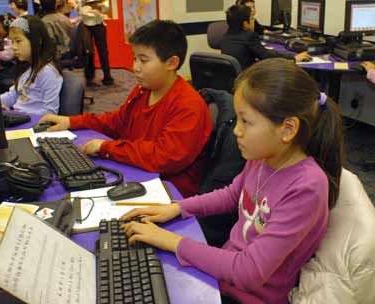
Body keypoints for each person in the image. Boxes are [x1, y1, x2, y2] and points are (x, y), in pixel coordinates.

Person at [119, 58, 345, 304]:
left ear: (288, 129)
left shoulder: (307, 187)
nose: (236, 131)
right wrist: (176, 208)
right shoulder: (263, 156)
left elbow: (249, 272)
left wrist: (171, 241)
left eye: (245, 121)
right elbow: (231, 194)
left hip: (247, 296)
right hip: (222, 275)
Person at [39, 20, 213, 198]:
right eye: (135, 58)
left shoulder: (188, 105)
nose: (135, 67)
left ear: (172, 63)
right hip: (138, 173)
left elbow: (162, 158)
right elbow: (118, 121)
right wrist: (71, 121)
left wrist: (106, 147)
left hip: (168, 192)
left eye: (143, 60)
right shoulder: (143, 90)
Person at [0, 15, 63, 115]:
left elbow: (50, 112)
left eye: (18, 41)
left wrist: (16, 115)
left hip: (32, 124)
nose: (14, 47)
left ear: (37, 40)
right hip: (20, 118)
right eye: (12, 42)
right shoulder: (27, 67)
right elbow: (13, 95)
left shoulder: (48, 72)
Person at [221, 5, 311, 70]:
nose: (253, 21)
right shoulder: (249, 36)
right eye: (252, 19)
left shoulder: (225, 37)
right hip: (248, 80)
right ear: (245, 24)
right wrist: (294, 58)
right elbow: (266, 56)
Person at [75, 0, 113, 86]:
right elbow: (80, 10)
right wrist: (92, 6)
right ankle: (89, 78)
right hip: (85, 24)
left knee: (103, 50)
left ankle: (107, 76)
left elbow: (106, 8)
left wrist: (93, 6)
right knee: (88, 51)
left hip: (98, 23)